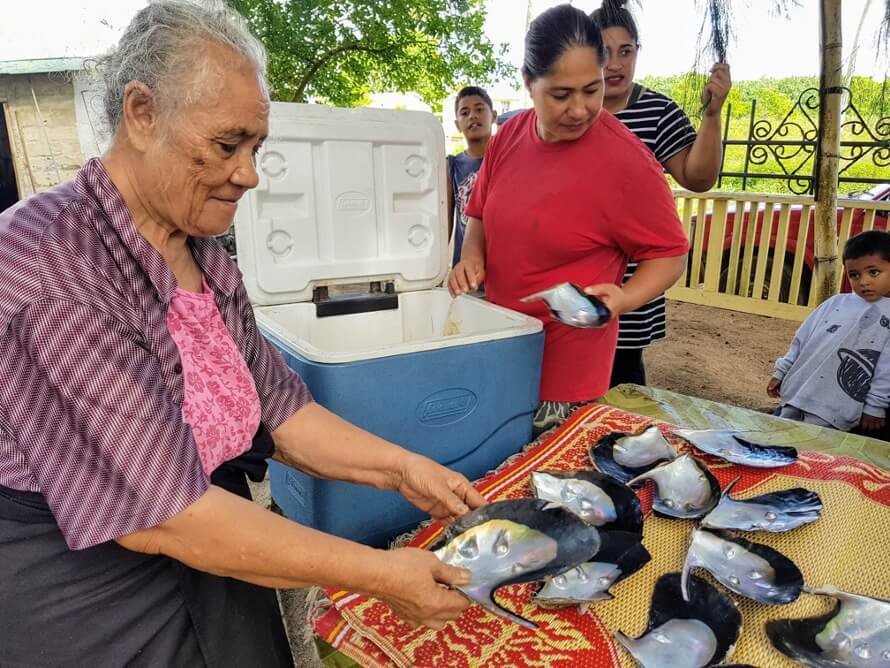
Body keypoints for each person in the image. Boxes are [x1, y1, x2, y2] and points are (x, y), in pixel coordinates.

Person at [0, 3, 485, 665]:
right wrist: (378, 573)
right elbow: (170, 516)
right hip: (88, 593)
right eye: (228, 145)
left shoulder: (202, 251)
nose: (250, 173)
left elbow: (283, 412)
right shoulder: (54, 266)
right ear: (142, 114)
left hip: (213, 541)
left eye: (256, 146)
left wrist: (402, 468)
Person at [447, 4, 688, 434]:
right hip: (501, 345)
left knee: (551, 487)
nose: (579, 109)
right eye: (561, 94)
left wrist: (625, 298)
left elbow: (669, 254)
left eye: (591, 90)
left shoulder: (625, 160)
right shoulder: (509, 137)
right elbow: (479, 213)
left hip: (567, 375)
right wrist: (471, 259)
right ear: (528, 83)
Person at [591, 0, 732, 388]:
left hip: (635, 276)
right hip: (580, 269)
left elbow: (697, 178)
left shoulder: (657, 111)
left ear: (638, 52)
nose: (615, 64)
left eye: (626, 51)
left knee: (622, 378)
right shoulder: (572, 111)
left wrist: (713, 114)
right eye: (604, 52)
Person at [767, 230, 890, 434]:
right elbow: (801, 340)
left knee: (813, 450)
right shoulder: (835, 303)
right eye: (854, 274)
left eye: (873, 272)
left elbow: (886, 369)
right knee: (776, 436)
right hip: (800, 390)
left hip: (836, 406)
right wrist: (781, 371)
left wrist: (875, 406)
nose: (863, 281)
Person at [448, 86, 497, 267]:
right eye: (465, 112)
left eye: (479, 109)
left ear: (493, 115)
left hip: (500, 268)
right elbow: (445, 223)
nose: (472, 116)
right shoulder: (452, 165)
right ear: (457, 124)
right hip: (467, 270)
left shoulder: (508, 159)